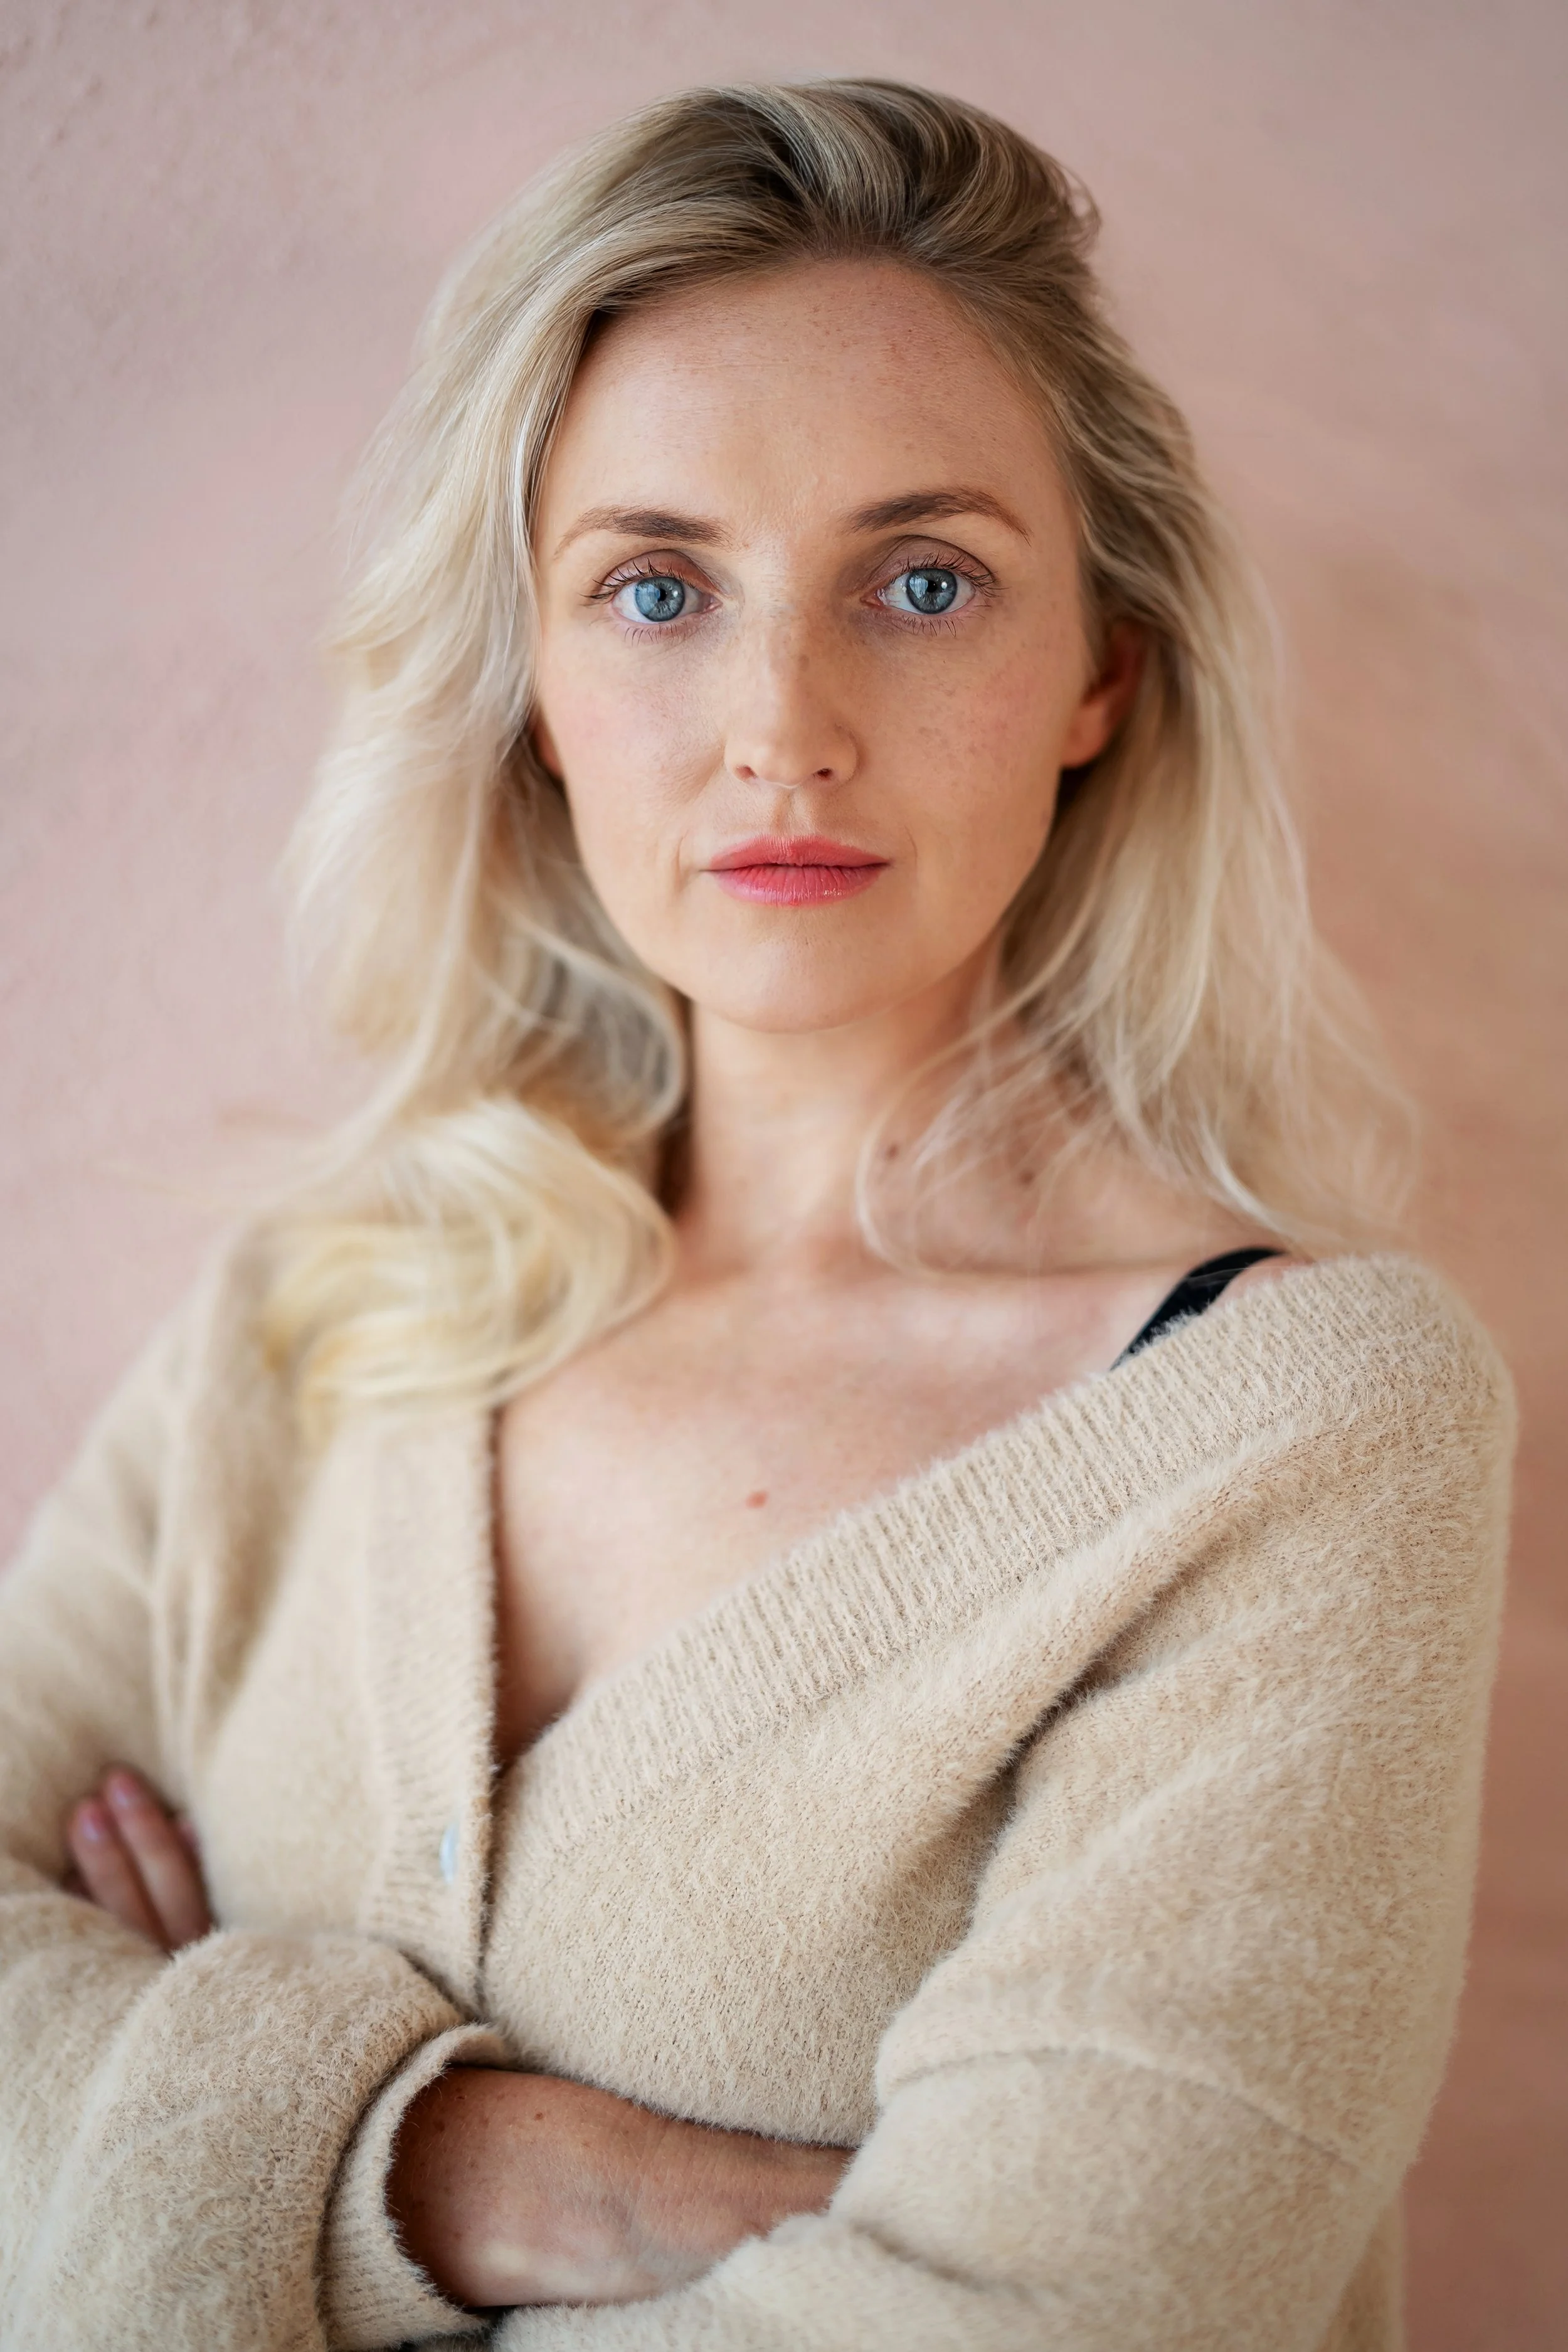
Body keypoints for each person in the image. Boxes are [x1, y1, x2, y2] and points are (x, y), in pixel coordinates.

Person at [0, 78, 1512, 2352]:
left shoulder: (1298, 1433)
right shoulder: (327, 1311)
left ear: (1098, 669)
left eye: (923, 582)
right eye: (655, 588)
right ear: (533, 685)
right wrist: (482, 2170)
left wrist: (164, 2122)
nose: (782, 725)